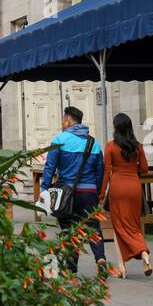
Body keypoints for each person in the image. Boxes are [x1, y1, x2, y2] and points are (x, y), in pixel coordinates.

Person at [42, 105, 107, 276]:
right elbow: (100, 170)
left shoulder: (59, 140)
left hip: (66, 194)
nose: (62, 123)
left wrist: (45, 189)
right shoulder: (94, 143)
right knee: (93, 226)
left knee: (69, 229)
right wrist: (98, 191)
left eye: (63, 121)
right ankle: (100, 258)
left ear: (68, 121)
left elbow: (50, 167)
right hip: (89, 192)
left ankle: (71, 268)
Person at [101, 111, 152, 278]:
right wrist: (131, 170)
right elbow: (144, 168)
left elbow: (106, 172)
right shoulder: (137, 146)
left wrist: (101, 195)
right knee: (134, 225)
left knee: (118, 227)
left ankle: (122, 267)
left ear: (116, 128)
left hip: (117, 188)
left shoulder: (110, 146)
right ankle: (144, 254)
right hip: (134, 188)